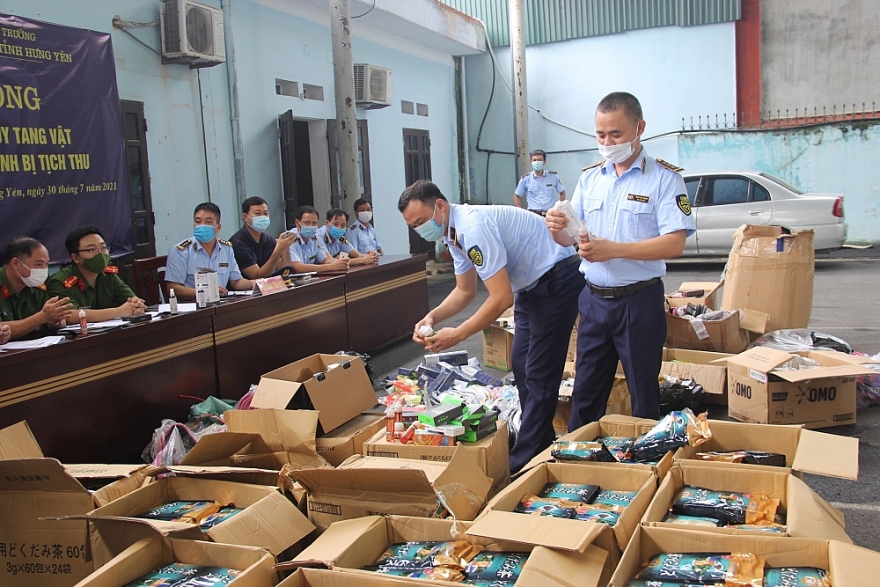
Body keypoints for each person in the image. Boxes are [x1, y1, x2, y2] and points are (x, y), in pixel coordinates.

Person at [399, 180, 583, 473]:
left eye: (421, 221)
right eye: (413, 226)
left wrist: (457, 334)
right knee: (521, 364)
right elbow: (465, 291)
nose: (420, 229)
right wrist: (432, 318)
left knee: (538, 373)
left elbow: (500, 299)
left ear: (440, 206)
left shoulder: (472, 227)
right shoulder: (452, 234)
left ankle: (524, 462)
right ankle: (541, 441)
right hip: (530, 288)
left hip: (556, 281)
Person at [545, 91, 695, 430]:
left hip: (638, 303)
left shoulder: (664, 179)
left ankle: (646, 471)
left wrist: (615, 250)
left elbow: (675, 243)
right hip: (594, 301)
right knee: (585, 393)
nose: (608, 142)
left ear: (639, 127)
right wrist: (556, 227)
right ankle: (579, 463)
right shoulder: (591, 178)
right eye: (601, 134)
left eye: (616, 134)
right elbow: (570, 238)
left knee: (643, 395)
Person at [48, 226, 147, 320]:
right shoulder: (60, 281)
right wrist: (118, 311)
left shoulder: (108, 275)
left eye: (103, 248)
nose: (100, 254)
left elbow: (131, 299)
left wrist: (137, 305)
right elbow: (69, 315)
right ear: (75, 258)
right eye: (91, 249)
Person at [165, 203, 254, 300]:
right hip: (193, 306)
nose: (202, 226)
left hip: (221, 304)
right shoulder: (181, 251)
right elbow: (173, 288)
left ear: (218, 228)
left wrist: (254, 283)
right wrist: (206, 292)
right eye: (198, 222)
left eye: (208, 222)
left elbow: (236, 282)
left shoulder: (226, 249)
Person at [0, 236, 73, 340]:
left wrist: (55, 321)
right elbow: (2, 329)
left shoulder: (38, 285)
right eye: (38, 264)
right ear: (15, 263)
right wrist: (42, 317)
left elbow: (56, 320)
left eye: (46, 264)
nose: (43, 270)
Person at [230, 196, 298, 279]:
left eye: (265, 213)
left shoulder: (268, 240)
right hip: (249, 289)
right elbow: (257, 276)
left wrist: (285, 248)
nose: (262, 217)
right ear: (245, 217)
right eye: (257, 213)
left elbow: (285, 271)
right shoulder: (238, 243)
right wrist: (278, 250)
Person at [282, 205, 350, 274]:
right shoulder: (289, 239)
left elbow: (325, 260)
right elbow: (298, 267)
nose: (311, 226)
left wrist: (339, 263)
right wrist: (331, 267)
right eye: (307, 223)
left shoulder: (314, 238)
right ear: (297, 223)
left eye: (314, 223)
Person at [513, 149, 566, 214]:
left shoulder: (553, 177)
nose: (537, 162)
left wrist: (559, 208)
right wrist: (520, 212)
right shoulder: (526, 179)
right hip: (532, 213)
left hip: (549, 213)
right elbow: (516, 196)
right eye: (534, 160)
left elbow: (562, 192)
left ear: (544, 162)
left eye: (539, 160)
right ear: (531, 162)